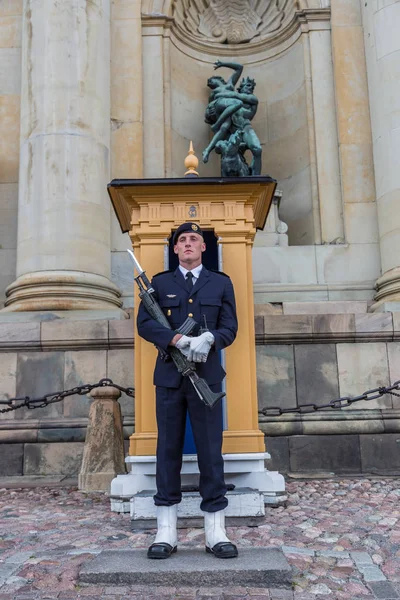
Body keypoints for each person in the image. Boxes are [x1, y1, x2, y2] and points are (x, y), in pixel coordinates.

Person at [137, 222, 238, 560]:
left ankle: (215, 529)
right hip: (169, 377)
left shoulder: (221, 283)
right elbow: (145, 323)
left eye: (195, 239)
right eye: (183, 240)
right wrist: (176, 338)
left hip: (206, 377)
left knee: (211, 452)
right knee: (168, 451)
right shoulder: (160, 283)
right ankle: (166, 530)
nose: (189, 243)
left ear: (204, 247)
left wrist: (211, 338)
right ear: (176, 249)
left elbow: (230, 326)